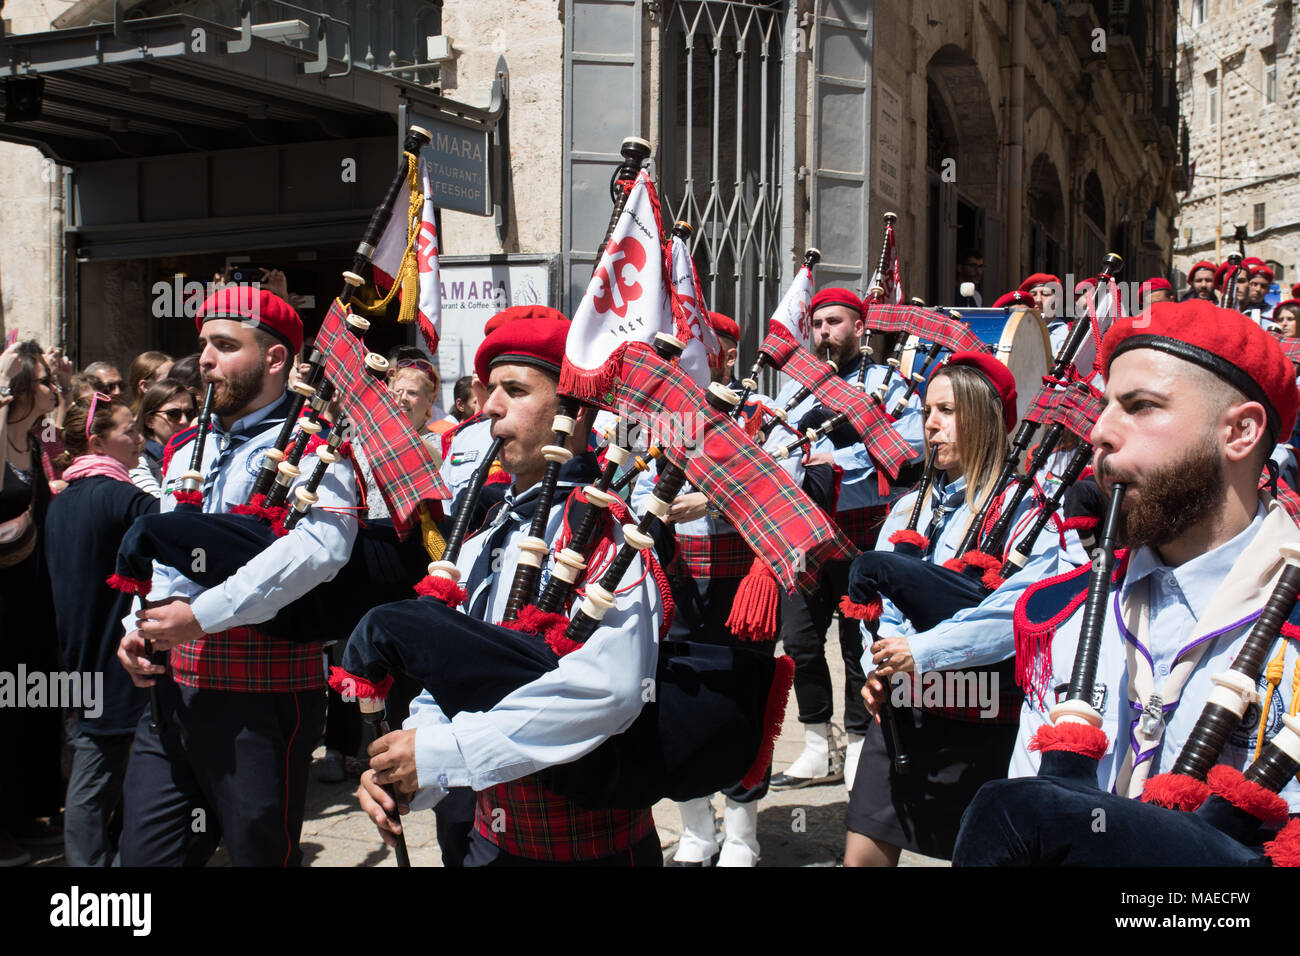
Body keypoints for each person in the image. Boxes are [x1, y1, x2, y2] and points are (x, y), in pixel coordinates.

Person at [953, 299, 1300, 866]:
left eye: (1141, 406)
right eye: (1107, 405)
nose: (1101, 432)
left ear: (1240, 432)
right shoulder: (1061, 617)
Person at [355, 313, 667, 866]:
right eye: (490, 390)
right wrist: (411, 767)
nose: (490, 406)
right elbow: (449, 676)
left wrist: (441, 752)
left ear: (576, 411)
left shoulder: (611, 538)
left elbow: (609, 692)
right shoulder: (480, 542)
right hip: (490, 841)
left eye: (515, 390)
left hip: (587, 849)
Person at [114, 287, 359, 867]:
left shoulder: (319, 447)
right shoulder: (182, 449)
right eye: (203, 346)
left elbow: (322, 547)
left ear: (275, 359)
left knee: (258, 857)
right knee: (144, 860)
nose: (204, 360)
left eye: (225, 346)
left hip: (261, 696)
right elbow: (170, 554)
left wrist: (199, 617)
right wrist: (141, 623)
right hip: (173, 692)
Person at [842, 351, 1077, 865]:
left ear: (984, 417)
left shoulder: (1028, 512)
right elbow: (881, 600)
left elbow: (1012, 612)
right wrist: (877, 660)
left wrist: (919, 651)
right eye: (928, 411)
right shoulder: (910, 508)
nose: (931, 424)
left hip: (982, 717)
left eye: (946, 411)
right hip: (905, 712)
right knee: (862, 857)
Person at [634, 310, 776, 866]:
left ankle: (743, 837)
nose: (696, 363)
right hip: (675, 579)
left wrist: (715, 499)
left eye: (708, 352)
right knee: (678, 698)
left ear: (729, 357)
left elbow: (782, 485)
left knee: (746, 700)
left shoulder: (761, 414)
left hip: (742, 583)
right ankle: (697, 828)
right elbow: (635, 481)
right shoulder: (658, 419)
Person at [769, 287, 925, 791]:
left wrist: (839, 463)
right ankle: (817, 743)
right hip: (807, 532)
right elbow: (779, 448)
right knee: (799, 640)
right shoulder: (799, 389)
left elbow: (908, 445)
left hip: (866, 531)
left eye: (834, 322)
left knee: (861, 643)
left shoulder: (892, 384)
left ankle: (859, 744)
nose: (823, 333)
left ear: (860, 327)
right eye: (816, 325)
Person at [45, 394, 157, 866]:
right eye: (129, 430)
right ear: (97, 440)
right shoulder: (121, 496)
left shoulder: (67, 496)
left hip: (78, 651)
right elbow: (175, 531)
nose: (138, 438)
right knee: (97, 766)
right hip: (109, 655)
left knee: (104, 759)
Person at [0, 341, 65, 866]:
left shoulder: (35, 440)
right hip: (2, 599)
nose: (56, 387)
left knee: (28, 705)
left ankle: (25, 810)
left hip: (32, 595)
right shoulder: (2, 435)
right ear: (20, 387)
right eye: (46, 380)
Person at [129, 379, 196, 498]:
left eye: (190, 413)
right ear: (149, 421)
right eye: (173, 415)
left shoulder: (199, 453)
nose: (184, 421)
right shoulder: (137, 460)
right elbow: (158, 506)